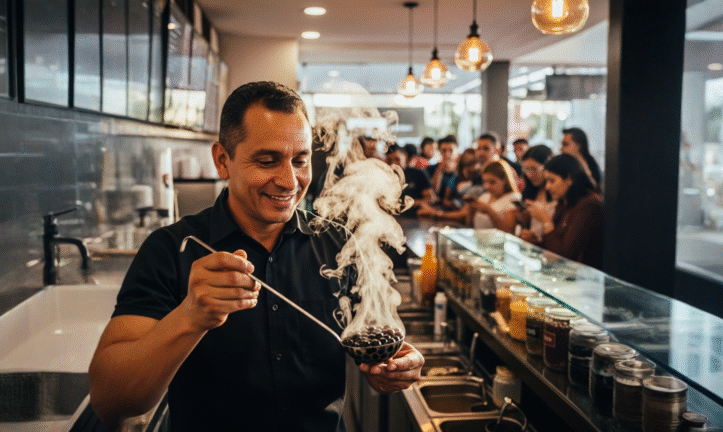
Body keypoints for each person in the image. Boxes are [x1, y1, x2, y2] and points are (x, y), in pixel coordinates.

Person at [88, 81, 424, 432]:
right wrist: (191, 316)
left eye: (300, 160)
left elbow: (370, 338)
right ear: (222, 160)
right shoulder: (172, 249)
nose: (289, 181)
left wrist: (395, 364)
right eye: (267, 161)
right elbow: (111, 402)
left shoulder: (338, 244)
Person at [523, 154, 604, 269]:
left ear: (569, 179)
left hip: (586, 280)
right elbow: (555, 243)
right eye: (546, 181)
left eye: (552, 181)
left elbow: (563, 255)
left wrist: (545, 220)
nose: (547, 187)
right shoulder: (565, 203)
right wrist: (534, 241)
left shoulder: (589, 206)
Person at [416, 148, 480, 223]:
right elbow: (445, 200)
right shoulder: (455, 178)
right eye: (464, 166)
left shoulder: (478, 181)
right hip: (453, 212)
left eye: (470, 166)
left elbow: (465, 212)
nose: (466, 170)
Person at [467, 161, 521, 231]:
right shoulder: (485, 196)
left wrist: (489, 211)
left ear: (504, 180)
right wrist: (471, 211)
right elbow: (469, 226)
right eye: (484, 182)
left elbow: (509, 231)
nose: (487, 186)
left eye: (492, 182)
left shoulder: (513, 198)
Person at [516, 145, 555, 241]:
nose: (529, 174)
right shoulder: (530, 191)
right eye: (526, 169)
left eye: (534, 169)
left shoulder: (556, 193)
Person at [385, 143, 434, 216]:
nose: (393, 164)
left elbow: (430, 199)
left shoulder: (418, 173)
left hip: (416, 218)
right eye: (389, 161)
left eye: (397, 159)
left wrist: (409, 203)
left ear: (405, 156)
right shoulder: (385, 176)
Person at [425, 135, 459, 205]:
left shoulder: (461, 170)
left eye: (451, 150)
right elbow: (433, 192)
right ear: (439, 151)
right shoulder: (430, 169)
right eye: (444, 151)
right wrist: (440, 170)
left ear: (457, 150)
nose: (447, 154)